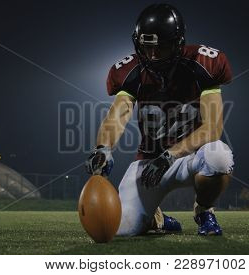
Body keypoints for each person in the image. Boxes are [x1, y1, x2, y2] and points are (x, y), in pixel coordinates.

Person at [86, 3, 234, 236]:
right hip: (149, 163)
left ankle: (204, 211)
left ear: (177, 43)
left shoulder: (202, 63)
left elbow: (212, 129)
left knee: (219, 156)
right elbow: (118, 115)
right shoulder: (131, 71)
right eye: (147, 47)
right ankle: (157, 220)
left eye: (160, 47)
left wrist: (171, 155)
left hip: (190, 158)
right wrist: (103, 148)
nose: (152, 55)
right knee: (121, 229)